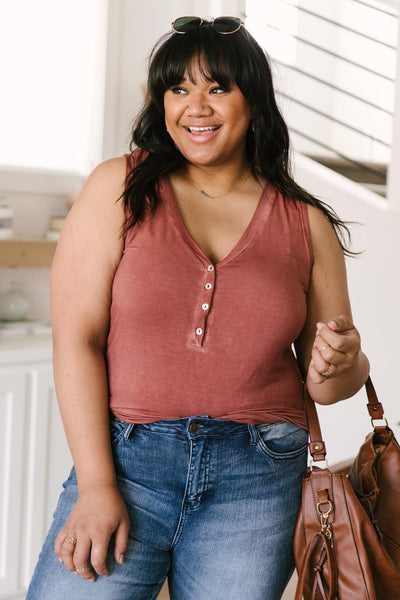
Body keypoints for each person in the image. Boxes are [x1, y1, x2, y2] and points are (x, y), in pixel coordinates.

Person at [27, 16, 370, 600]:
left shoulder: (305, 222)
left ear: (253, 101)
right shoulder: (118, 188)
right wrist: (96, 484)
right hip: (128, 463)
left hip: (259, 477)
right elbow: (77, 339)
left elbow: (334, 379)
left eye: (217, 87)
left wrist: (343, 364)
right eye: (178, 88)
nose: (196, 106)